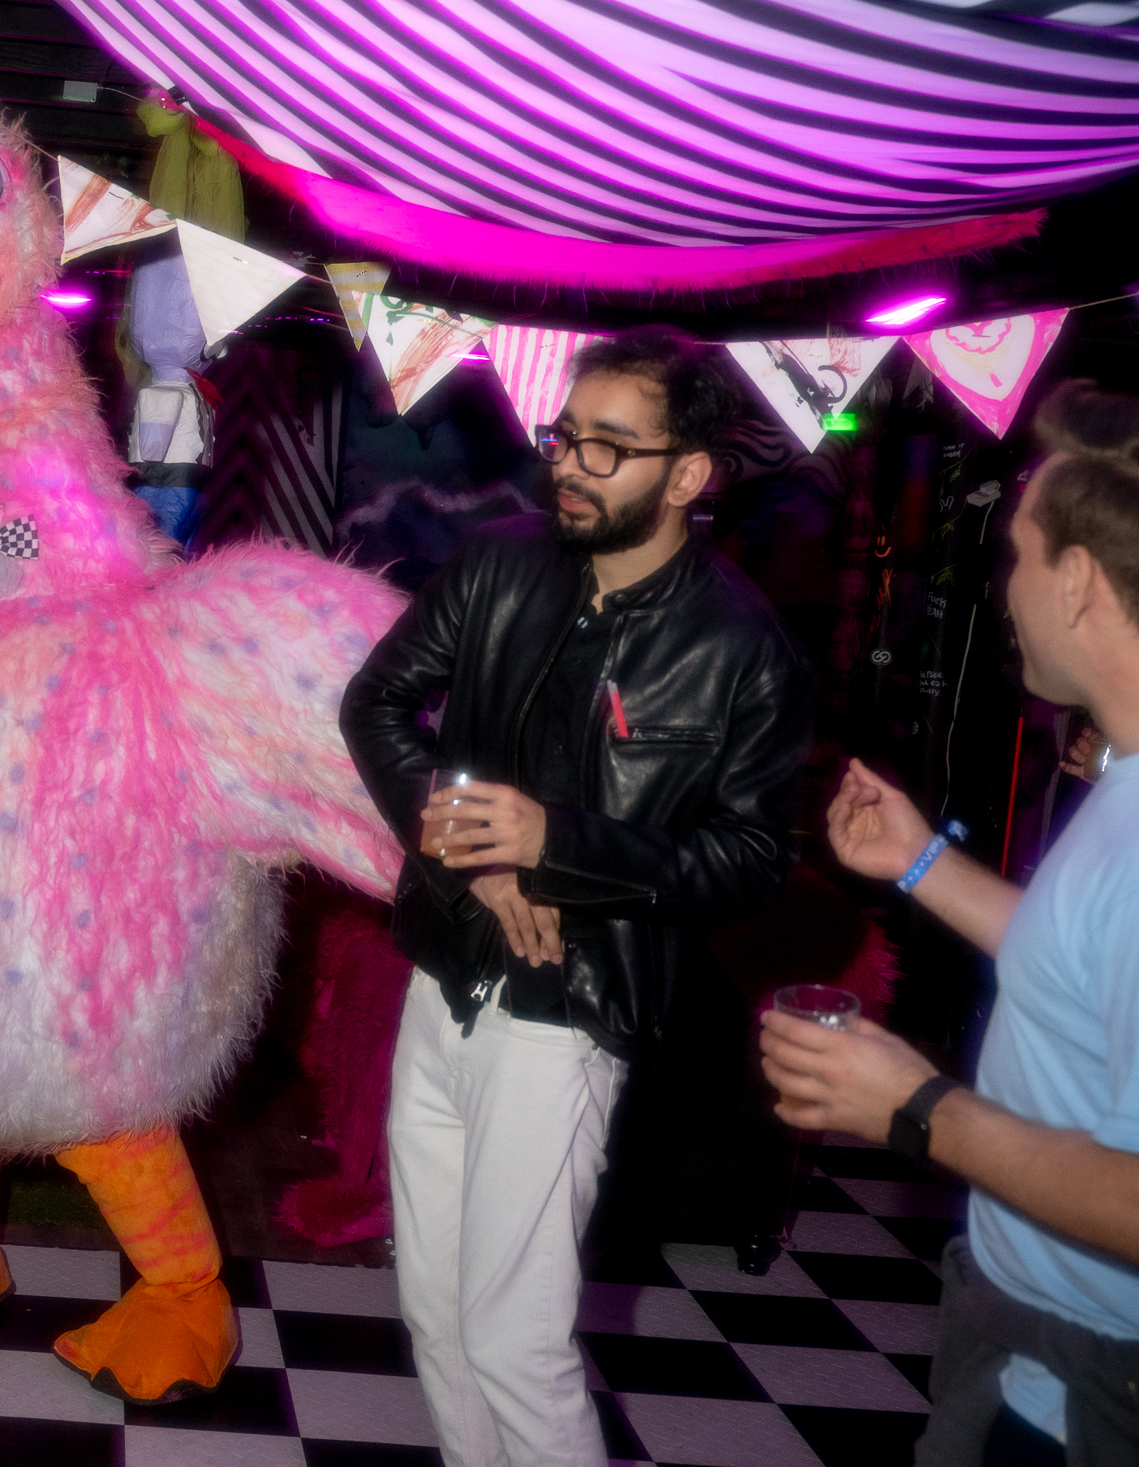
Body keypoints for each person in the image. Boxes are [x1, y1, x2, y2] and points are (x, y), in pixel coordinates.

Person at [341, 325, 812, 1467]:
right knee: (439, 1318)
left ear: (689, 476)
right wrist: (479, 852)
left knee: (513, 1339)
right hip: (446, 969)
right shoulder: (501, 563)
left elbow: (750, 858)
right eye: (565, 436)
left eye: (609, 448)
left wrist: (559, 848)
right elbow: (377, 706)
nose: (568, 464)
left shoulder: (742, 646)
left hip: (572, 1007)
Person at [761, 380, 1139, 1467]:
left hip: (1096, 1384)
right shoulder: (1127, 778)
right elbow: (1089, 959)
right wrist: (920, 863)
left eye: (1016, 558)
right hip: (1030, 1332)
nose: (1004, 590)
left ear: (1075, 582)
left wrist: (918, 1107)